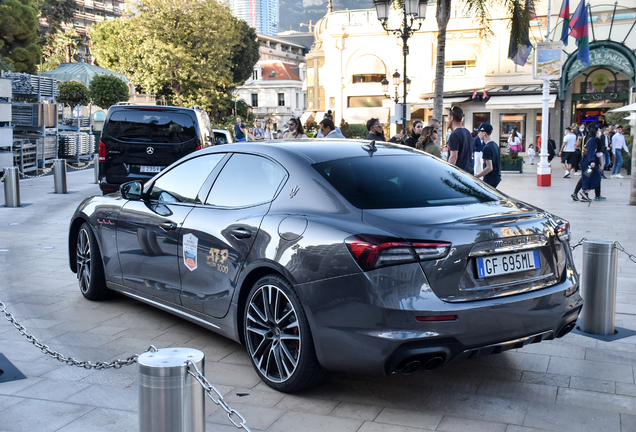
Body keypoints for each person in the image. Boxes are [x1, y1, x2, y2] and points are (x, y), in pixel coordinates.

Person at [577, 123, 602, 202]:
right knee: (595, 177)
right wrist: (592, 161)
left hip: (586, 162)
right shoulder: (592, 140)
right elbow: (591, 151)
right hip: (589, 163)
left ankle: (585, 194)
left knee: (587, 176)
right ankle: (585, 192)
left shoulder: (588, 138)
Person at [447, 106, 473, 174]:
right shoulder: (467, 132)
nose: (447, 119)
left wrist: (448, 172)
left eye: (448, 117)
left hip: (459, 173)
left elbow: (454, 157)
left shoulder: (454, 135)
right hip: (468, 171)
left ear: (452, 118)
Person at [474, 123, 501, 188]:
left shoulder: (487, 148)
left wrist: (476, 177)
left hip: (490, 178)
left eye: (479, 132)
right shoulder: (495, 145)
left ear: (484, 133)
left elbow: (489, 167)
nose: (478, 134)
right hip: (496, 177)